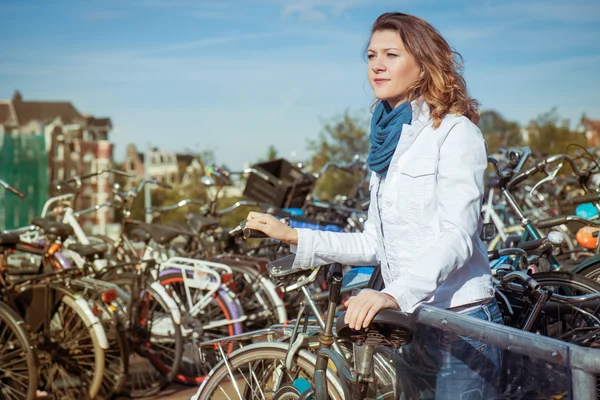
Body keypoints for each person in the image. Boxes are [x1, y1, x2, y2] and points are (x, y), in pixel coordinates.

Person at [245, 12, 502, 399]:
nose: (377, 65)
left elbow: (458, 236)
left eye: (391, 55)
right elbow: (374, 244)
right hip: (412, 323)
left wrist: (392, 294)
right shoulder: (388, 142)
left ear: (423, 66)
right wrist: (292, 234)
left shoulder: (455, 132)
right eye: (370, 56)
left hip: (461, 325)